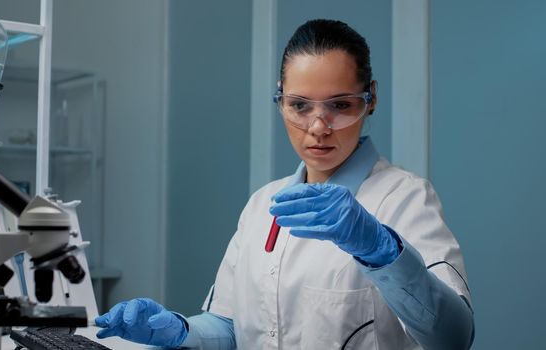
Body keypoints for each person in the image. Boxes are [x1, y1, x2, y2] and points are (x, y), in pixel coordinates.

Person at [94, 19, 475, 349]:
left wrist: (382, 251)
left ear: (370, 98)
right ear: (280, 100)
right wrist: (179, 331)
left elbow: (453, 338)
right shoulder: (263, 204)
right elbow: (229, 327)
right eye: (300, 105)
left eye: (340, 105)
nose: (318, 127)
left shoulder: (405, 198)